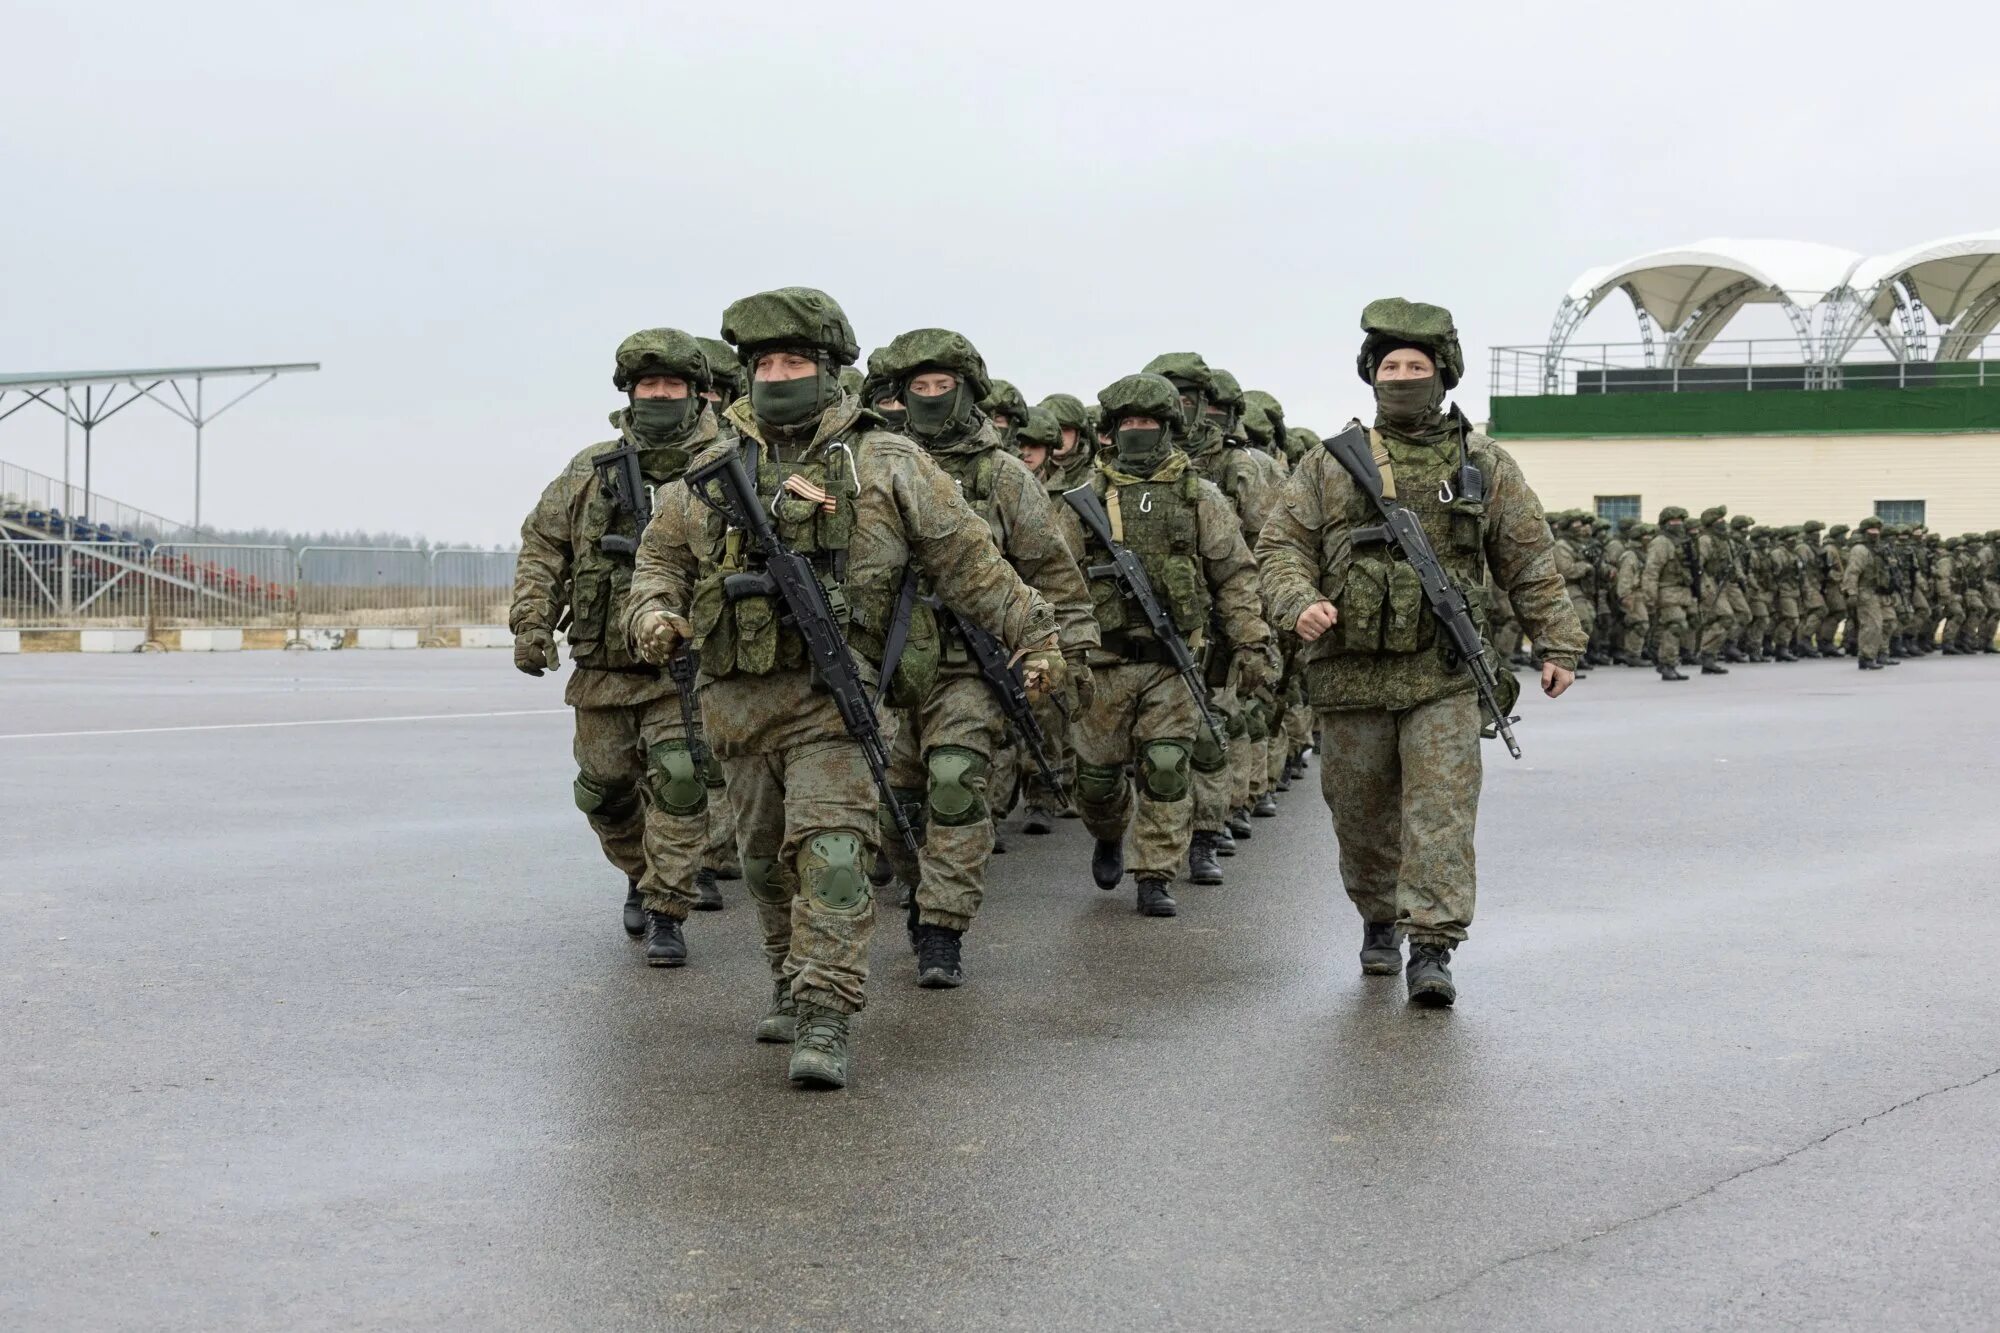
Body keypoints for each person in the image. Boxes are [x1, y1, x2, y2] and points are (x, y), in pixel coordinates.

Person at [623, 287, 1062, 1089]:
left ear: (830, 371)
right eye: (766, 364)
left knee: (831, 856)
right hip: (736, 702)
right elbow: (660, 563)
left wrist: (1034, 630)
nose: (779, 375)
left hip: (838, 700)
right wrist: (654, 616)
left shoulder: (884, 460)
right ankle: (790, 976)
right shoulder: (709, 466)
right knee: (762, 862)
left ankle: (827, 1011)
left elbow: (968, 562)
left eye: (795, 361)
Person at [1256, 299, 1583, 1007]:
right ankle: (1379, 915)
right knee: (1361, 813)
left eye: (1416, 366)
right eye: (1391, 366)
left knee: (1441, 812)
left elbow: (1528, 557)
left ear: (1444, 376)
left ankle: (1432, 947)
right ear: (1371, 375)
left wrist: (1555, 638)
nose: (1402, 378)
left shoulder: (1482, 462)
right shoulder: (1328, 464)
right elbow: (1280, 547)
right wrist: (1296, 601)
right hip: (1350, 673)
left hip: (1443, 673)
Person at [867, 328, 1095, 987]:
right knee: (892, 804)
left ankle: (943, 926)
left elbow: (1052, 572)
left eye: (944, 387)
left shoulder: (1004, 477)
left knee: (956, 782)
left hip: (971, 661)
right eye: (920, 388)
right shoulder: (872, 465)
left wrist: (1063, 658)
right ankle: (921, 889)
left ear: (967, 392)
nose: (932, 397)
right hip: (887, 662)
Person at [509, 328, 725, 969]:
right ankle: (639, 869)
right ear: (629, 393)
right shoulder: (588, 470)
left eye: (673, 385)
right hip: (604, 666)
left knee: (681, 782)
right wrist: (531, 622)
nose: (660, 395)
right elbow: (544, 546)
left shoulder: (725, 468)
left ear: (696, 396)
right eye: (648, 385)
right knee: (605, 792)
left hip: (687, 667)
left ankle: (667, 908)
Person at [1070, 372, 1273, 918]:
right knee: (1096, 780)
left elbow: (1233, 573)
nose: (1139, 432)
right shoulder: (1080, 499)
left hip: (1172, 660)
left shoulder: (1199, 496)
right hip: (1101, 663)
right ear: (1110, 431)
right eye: (1129, 423)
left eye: (1151, 423)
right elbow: (1049, 575)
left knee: (1166, 765)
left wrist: (1251, 640)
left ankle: (1155, 872)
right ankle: (1109, 834)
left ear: (1170, 429)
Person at [1642, 507, 1697, 682]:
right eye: (1673, 521)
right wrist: (1650, 596)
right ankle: (1667, 664)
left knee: (1674, 627)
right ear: (1665, 523)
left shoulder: (1683, 541)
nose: (1678, 524)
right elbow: (1652, 571)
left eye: (1680, 521)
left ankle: (1663, 658)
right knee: (1676, 625)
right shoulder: (1661, 542)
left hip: (1683, 592)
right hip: (1667, 591)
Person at [1840, 515, 1893, 669]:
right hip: (1865, 591)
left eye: (1877, 531)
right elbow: (1852, 572)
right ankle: (1866, 657)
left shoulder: (1878, 549)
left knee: (1885, 622)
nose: (1875, 534)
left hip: (1878, 592)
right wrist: (1851, 592)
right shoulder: (1860, 550)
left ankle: (1874, 654)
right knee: (1871, 625)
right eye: (1871, 531)